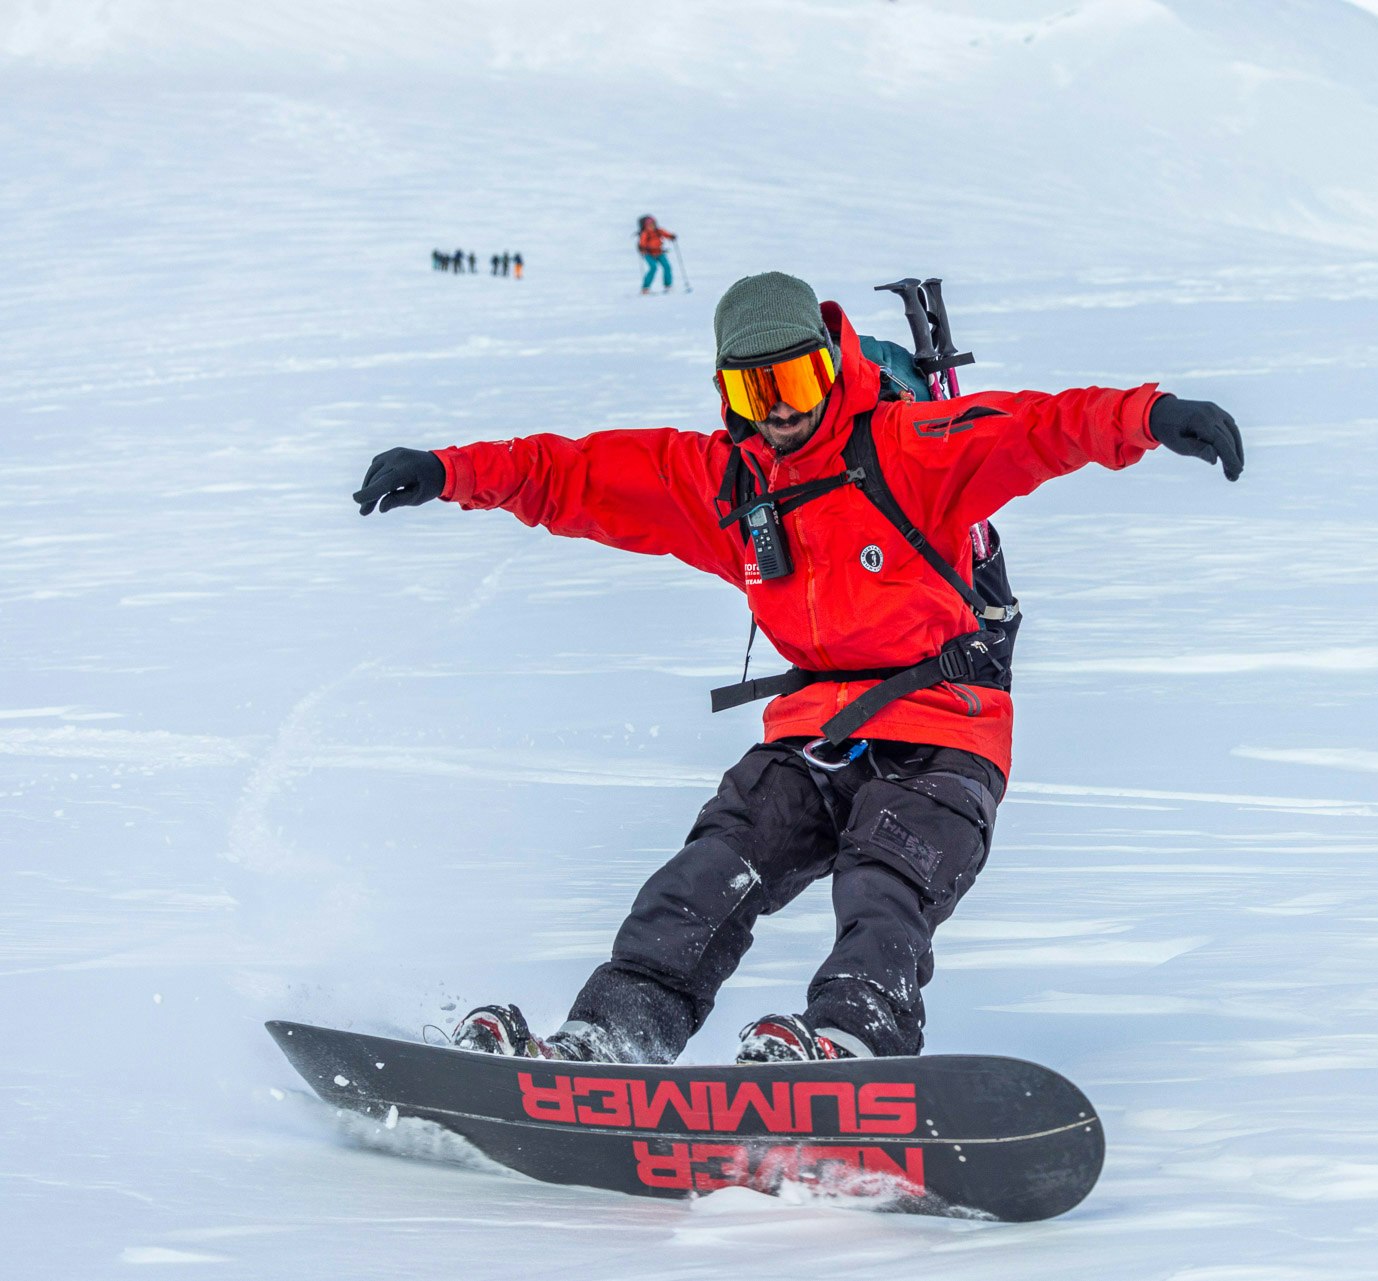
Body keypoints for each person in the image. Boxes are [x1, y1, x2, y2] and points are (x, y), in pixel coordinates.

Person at [351, 272, 1242, 1065]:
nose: (781, 406)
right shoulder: (726, 483)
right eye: (755, 386)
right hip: (815, 733)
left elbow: (1038, 428)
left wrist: (1152, 417)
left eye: (797, 379)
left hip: (942, 729)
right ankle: (615, 1035)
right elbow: (572, 475)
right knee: (707, 871)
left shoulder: (909, 445)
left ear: (832, 362)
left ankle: (852, 1039)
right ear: (728, 394)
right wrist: (446, 471)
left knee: (884, 878)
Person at [636, 216, 676, 292]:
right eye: (649, 225)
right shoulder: (645, 233)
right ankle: (645, 288)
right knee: (653, 268)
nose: (651, 226)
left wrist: (671, 236)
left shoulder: (659, 231)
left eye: (652, 224)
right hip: (648, 254)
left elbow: (666, 234)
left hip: (659, 252)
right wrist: (642, 248)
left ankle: (668, 285)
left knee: (667, 267)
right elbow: (642, 243)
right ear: (645, 226)